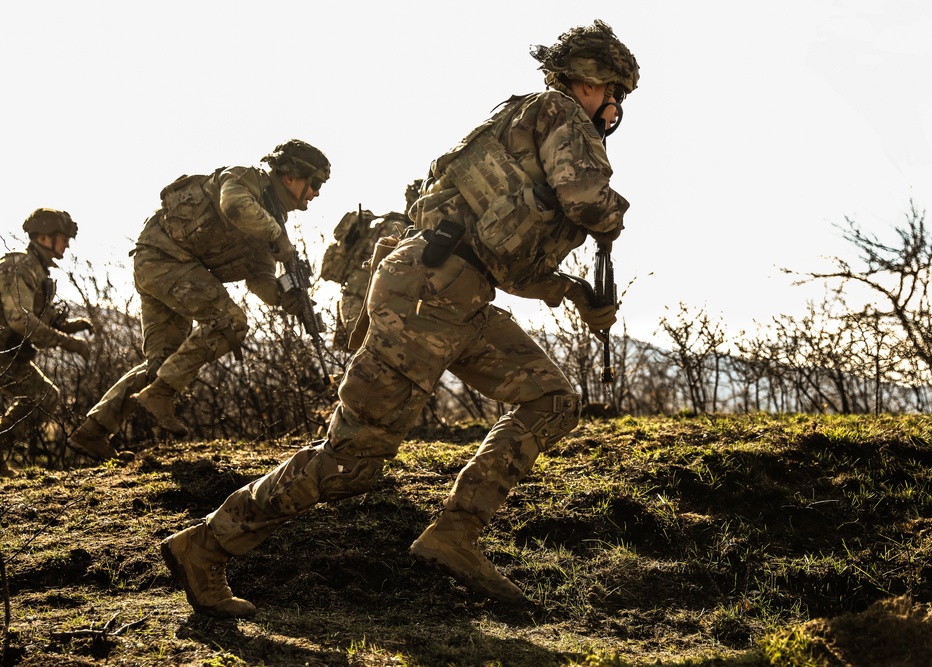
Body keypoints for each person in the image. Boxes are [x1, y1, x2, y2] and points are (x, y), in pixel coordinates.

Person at [161, 20, 638, 618]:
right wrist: (614, 217)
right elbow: (588, 200)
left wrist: (571, 289)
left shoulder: (525, 134)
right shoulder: (559, 114)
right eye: (604, 88)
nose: (610, 105)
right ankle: (205, 545)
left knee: (551, 402)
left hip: (459, 298)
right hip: (424, 296)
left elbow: (508, 261)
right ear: (576, 79)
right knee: (349, 464)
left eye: (619, 95)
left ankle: (455, 534)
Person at [67, 140, 330, 460]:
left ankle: (92, 433)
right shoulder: (246, 179)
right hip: (164, 259)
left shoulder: (272, 217)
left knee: (165, 363)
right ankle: (161, 393)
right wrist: (276, 234)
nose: (316, 193)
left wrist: (287, 298)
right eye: (315, 183)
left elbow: (259, 276)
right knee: (230, 322)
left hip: (168, 266)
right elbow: (234, 207)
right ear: (290, 176)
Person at [0, 209, 94, 477]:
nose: (66, 244)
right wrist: (68, 343)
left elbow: (39, 314)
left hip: (7, 354)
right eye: (62, 238)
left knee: (44, 396)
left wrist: (69, 325)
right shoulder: (19, 266)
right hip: (3, 353)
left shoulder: (35, 269)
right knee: (44, 396)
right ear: (43, 237)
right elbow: (20, 320)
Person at [320, 180, 421, 349]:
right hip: (362, 305)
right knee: (368, 359)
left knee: (354, 363)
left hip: (358, 301)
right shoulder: (399, 230)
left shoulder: (395, 225)